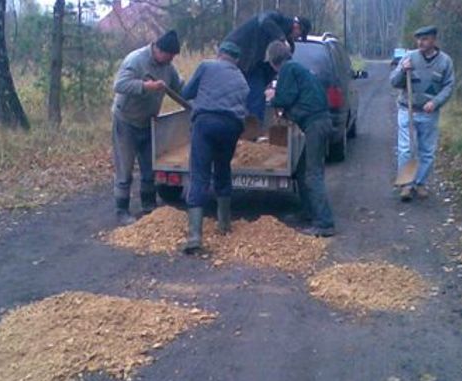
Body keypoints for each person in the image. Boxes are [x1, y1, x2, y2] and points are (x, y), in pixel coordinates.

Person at [180, 42, 250, 253]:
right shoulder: (242, 80)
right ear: (236, 60)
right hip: (232, 127)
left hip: (206, 123)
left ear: (220, 54)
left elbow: (186, 92)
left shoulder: (206, 66)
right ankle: (224, 224)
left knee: (199, 174)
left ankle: (194, 237)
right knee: (222, 168)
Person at [111, 30, 183, 224]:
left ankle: (149, 206)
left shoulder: (168, 67)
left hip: (149, 121)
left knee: (149, 166)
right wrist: (145, 87)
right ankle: (121, 210)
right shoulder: (135, 60)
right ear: (158, 49)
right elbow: (119, 85)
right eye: (169, 55)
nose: (171, 59)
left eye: (173, 57)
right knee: (125, 167)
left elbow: (179, 87)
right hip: (126, 121)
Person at [265, 40, 335, 237]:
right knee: (303, 169)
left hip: (315, 124)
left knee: (313, 174)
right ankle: (308, 212)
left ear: (272, 61)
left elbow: (285, 98)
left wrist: (272, 96)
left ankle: (325, 223)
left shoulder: (287, 69)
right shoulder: (298, 68)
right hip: (321, 122)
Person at [390, 26, 454, 201]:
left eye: (425, 39)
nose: (420, 42)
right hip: (407, 109)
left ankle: (420, 183)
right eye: (418, 39)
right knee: (406, 149)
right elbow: (394, 82)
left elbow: (448, 86)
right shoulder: (409, 57)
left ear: (433, 39)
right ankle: (406, 184)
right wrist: (403, 70)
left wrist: (436, 102)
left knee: (427, 151)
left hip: (429, 113)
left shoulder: (445, 61)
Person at [224, 11, 311, 122]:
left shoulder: (289, 48)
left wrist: (268, 84)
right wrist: (282, 39)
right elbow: (263, 21)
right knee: (230, 95)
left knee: (256, 97)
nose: (298, 38)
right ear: (296, 27)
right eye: (299, 35)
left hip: (254, 66)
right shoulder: (276, 18)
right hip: (234, 54)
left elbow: (276, 67)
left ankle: (253, 130)